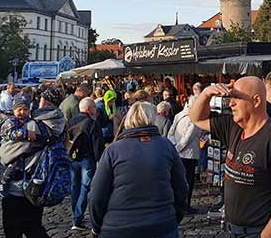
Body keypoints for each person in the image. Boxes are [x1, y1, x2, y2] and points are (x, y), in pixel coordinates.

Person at [190, 77, 271, 238]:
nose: (231, 103)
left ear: (256, 100)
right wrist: (207, 93)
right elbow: (197, 118)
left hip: (261, 231)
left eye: (237, 98)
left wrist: (265, 236)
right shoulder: (233, 127)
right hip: (235, 230)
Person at [89, 101, 188, 238]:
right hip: (161, 225)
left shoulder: (113, 150)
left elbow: (97, 194)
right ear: (152, 119)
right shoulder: (166, 146)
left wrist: (96, 226)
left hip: (119, 227)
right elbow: (181, 188)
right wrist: (172, 218)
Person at [0, 87, 65, 238]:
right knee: (34, 226)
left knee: (13, 228)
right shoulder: (58, 123)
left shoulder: (33, 126)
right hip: (38, 183)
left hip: (18, 185)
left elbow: (4, 155)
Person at [68, 97, 104, 231]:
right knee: (85, 188)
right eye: (94, 107)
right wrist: (100, 161)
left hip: (73, 158)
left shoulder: (71, 121)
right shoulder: (92, 123)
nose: (96, 109)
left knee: (75, 187)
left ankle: (76, 214)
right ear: (89, 109)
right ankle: (77, 218)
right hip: (87, 159)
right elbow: (97, 145)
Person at [167, 100, 205, 214]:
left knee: (180, 178)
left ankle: (180, 203)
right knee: (188, 180)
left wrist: (174, 146)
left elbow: (171, 133)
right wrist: (178, 148)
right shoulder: (194, 118)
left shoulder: (179, 115)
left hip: (180, 153)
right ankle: (185, 205)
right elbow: (188, 137)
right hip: (189, 154)